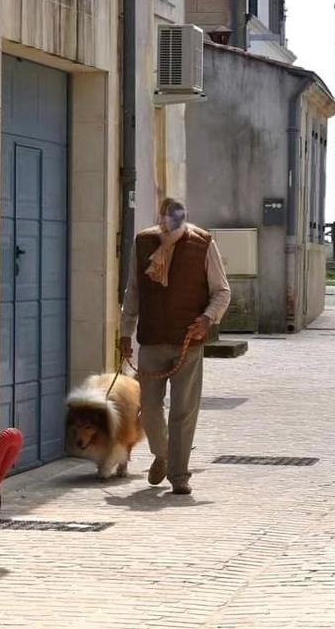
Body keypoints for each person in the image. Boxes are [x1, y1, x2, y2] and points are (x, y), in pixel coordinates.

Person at [119, 198, 231, 495]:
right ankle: (163, 454)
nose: (172, 223)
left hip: (188, 342)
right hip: (151, 339)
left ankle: (179, 475)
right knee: (151, 410)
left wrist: (207, 320)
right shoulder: (143, 243)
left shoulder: (203, 243)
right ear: (160, 218)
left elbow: (222, 292)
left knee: (183, 410)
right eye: (167, 218)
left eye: (178, 218)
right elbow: (133, 293)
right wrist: (124, 334)